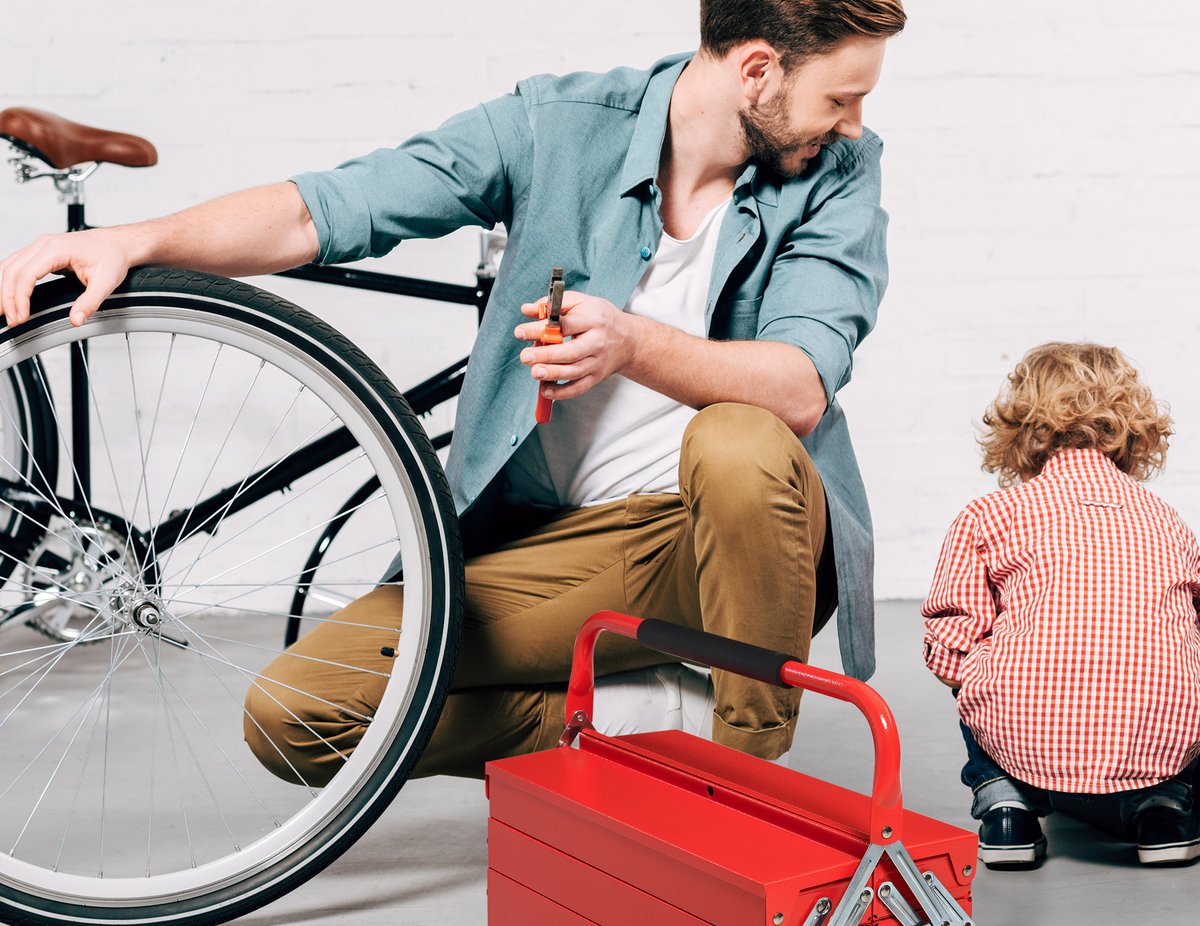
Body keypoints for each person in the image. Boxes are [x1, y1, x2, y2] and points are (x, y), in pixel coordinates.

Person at [0, 1, 907, 783]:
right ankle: (654, 721)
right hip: (557, 550)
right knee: (296, 710)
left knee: (739, 439)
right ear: (757, 71)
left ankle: (741, 778)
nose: (854, 123)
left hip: (721, 542)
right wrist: (137, 240)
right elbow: (330, 206)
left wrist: (630, 342)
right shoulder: (556, 124)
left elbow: (797, 387)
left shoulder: (837, 177)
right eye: (841, 96)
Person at [922, 343, 1200, 869]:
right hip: (1165, 736)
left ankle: (1006, 803)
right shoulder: (1170, 521)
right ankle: (1165, 808)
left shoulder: (988, 516)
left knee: (973, 663)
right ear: (1136, 429)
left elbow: (948, 652)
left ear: (1018, 427)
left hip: (1021, 728)